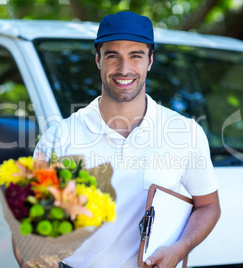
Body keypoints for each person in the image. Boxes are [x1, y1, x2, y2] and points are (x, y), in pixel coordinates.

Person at [34, 11, 221, 268]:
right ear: (98, 60)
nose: (124, 69)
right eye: (113, 56)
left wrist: (180, 248)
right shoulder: (59, 137)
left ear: (150, 61)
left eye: (136, 56)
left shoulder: (185, 132)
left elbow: (208, 206)